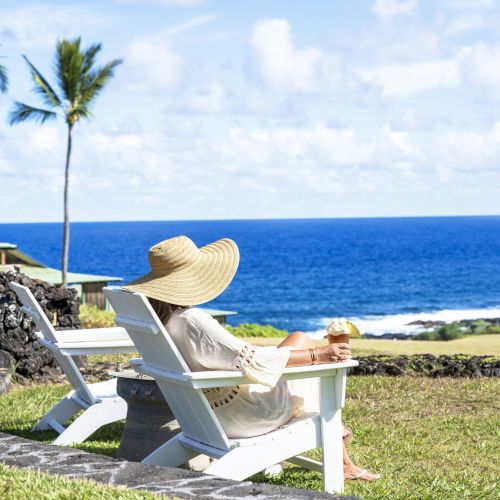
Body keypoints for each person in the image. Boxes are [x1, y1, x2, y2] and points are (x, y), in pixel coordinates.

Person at [124, 235, 380, 481]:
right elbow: (252, 360)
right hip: (246, 418)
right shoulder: (192, 321)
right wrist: (319, 354)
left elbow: (236, 356)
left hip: (203, 417)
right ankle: (339, 451)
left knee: (298, 338)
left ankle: (338, 443)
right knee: (312, 358)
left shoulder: (163, 323)